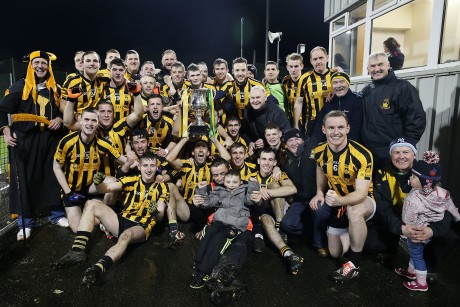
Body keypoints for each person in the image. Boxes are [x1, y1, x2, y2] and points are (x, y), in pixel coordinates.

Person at [50, 152, 169, 288]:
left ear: (156, 167)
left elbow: (159, 217)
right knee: (91, 204)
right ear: (140, 167)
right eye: (146, 165)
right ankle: (77, 251)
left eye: (152, 166)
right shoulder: (132, 180)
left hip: (141, 225)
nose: (149, 169)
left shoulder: (162, 187)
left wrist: (154, 212)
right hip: (122, 219)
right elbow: (107, 188)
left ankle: (97, 269)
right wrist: (98, 183)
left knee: (126, 236)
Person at [367, 137, 460, 284]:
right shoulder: (382, 172)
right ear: (391, 155)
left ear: (414, 155)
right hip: (397, 218)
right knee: (371, 242)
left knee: (450, 236)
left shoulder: (427, 172)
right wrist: (401, 228)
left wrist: (432, 230)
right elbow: (383, 207)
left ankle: (426, 266)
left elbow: (445, 206)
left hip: (424, 221)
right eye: (396, 152)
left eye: (406, 152)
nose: (401, 156)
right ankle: (391, 250)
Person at [0, 50, 67, 240]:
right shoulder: (19, 87)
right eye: (36, 62)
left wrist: (60, 119)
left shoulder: (57, 89)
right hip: (24, 141)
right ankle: (25, 222)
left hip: (49, 140)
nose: (40, 66)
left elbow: (66, 112)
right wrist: (6, 130)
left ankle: (57, 215)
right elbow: (2, 110)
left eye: (44, 63)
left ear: (49, 66)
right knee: (24, 181)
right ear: (30, 65)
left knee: (52, 177)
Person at [310, 110, 375, 282]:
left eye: (340, 127)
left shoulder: (362, 154)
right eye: (331, 127)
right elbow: (320, 169)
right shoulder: (318, 151)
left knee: (354, 210)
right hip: (336, 203)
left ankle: (354, 264)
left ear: (348, 129)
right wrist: (319, 192)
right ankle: (351, 231)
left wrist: (340, 201)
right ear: (324, 130)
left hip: (362, 200)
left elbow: (361, 193)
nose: (336, 132)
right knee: (335, 253)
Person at [53, 108, 127, 232]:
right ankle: (93, 210)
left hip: (90, 187)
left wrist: (142, 163)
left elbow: (123, 159)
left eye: (94, 120)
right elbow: (56, 167)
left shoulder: (103, 143)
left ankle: (105, 212)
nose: (90, 123)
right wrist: (68, 193)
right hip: (72, 190)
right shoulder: (67, 142)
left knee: (114, 181)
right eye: (86, 119)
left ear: (98, 123)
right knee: (78, 229)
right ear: (80, 120)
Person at [395, 150, 460, 291]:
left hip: (417, 233)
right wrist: (457, 218)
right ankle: (411, 272)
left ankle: (421, 282)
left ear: (425, 182)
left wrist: (406, 232)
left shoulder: (413, 198)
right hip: (430, 232)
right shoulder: (443, 193)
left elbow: (407, 218)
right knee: (415, 254)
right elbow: (452, 208)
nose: (410, 179)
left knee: (417, 256)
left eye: (413, 177)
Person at [190, 170, 260, 288]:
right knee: (208, 233)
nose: (231, 185)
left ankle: (204, 273)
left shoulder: (244, 191)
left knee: (218, 240)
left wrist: (253, 184)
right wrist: (201, 190)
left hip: (235, 224)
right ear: (224, 182)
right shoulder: (220, 191)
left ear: (240, 182)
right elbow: (207, 202)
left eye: (234, 182)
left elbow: (251, 199)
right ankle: (198, 265)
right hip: (219, 222)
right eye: (228, 182)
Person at [360, 52, 426, 169]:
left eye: (380, 64)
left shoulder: (403, 88)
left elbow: (416, 120)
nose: (377, 69)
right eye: (373, 66)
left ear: (388, 65)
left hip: (391, 155)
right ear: (368, 69)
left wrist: (403, 149)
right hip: (368, 154)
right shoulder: (366, 91)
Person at [254, 148, 303, 274]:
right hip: (265, 212)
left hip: (281, 209)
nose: (267, 163)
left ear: (275, 163)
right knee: (264, 219)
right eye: (264, 159)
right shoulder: (251, 177)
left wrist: (268, 192)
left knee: (274, 185)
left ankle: (279, 226)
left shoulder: (279, 174)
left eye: (270, 160)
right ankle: (288, 254)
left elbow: (293, 189)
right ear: (259, 161)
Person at [279, 129, 324, 256]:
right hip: (300, 200)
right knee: (287, 225)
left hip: (317, 195)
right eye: (290, 140)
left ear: (303, 140)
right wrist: (277, 167)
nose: (294, 143)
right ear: (286, 144)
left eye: (297, 139)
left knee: (318, 210)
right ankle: (314, 231)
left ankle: (319, 244)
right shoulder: (286, 159)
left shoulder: (313, 149)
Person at [295, 46, 340, 136]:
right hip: (313, 122)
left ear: (327, 58)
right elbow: (299, 102)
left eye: (321, 58)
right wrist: (296, 124)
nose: (318, 61)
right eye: (315, 59)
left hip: (334, 122)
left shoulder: (336, 75)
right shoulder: (304, 78)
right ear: (311, 61)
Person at [312, 71, 362, 143]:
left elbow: (355, 128)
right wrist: (313, 144)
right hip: (330, 144)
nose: (338, 85)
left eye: (342, 81)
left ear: (348, 83)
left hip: (349, 145)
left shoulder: (357, 100)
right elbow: (319, 126)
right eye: (335, 83)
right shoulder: (329, 101)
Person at [242, 86, 290, 153]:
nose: (255, 101)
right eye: (252, 98)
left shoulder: (277, 112)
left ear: (265, 98)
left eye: (258, 97)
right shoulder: (248, 111)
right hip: (257, 151)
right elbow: (243, 131)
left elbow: (287, 134)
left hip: (277, 151)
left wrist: (266, 141)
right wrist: (250, 142)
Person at [283, 53, 306, 126]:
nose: (293, 70)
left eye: (296, 66)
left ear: (301, 66)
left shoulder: (307, 81)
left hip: (305, 121)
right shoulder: (285, 80)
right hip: (289, 120)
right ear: (287, 67)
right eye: (291, 66)